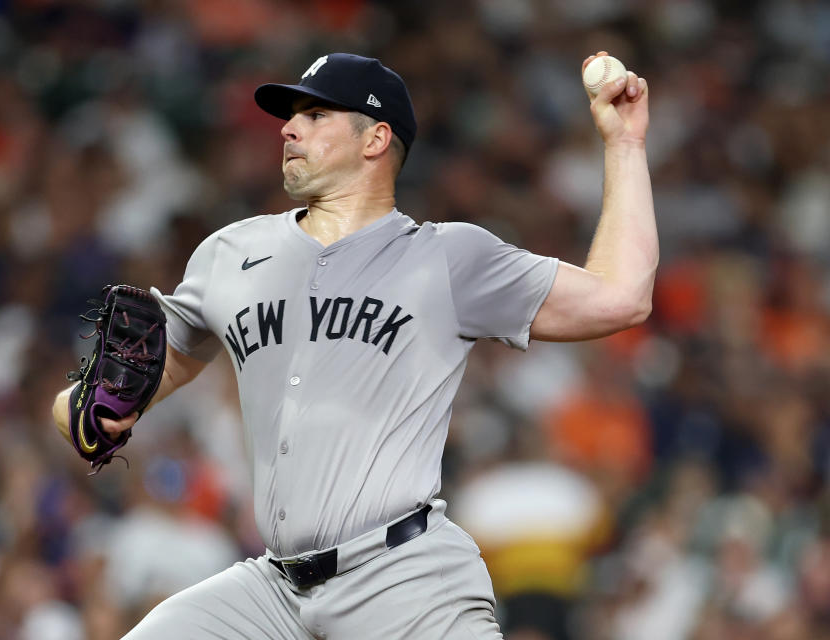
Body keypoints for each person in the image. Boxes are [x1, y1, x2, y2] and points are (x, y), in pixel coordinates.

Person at [52, 50, 655, 639]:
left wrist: (623, 144)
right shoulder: (229, 256)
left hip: (405, 581)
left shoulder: (447, 258)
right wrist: (87, 410)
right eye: (292, 116)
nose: (288, 128)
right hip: (273, 593)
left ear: (375, 140)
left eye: (316, 115)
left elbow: (621, 297)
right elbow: (111, 396)